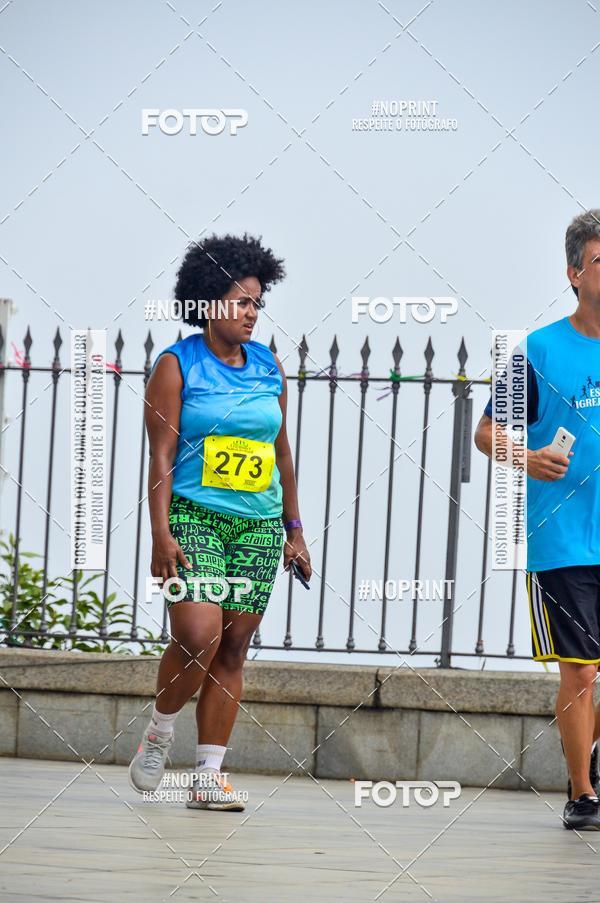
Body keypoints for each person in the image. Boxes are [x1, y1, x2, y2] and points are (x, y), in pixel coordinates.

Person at [128, 232, 311, 810]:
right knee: (198, 635)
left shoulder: (268, 365)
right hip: (194, 517)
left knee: (233, 647)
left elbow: (281, 452)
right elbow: (159, 458)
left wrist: (295, 530)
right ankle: (160, 728)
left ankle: (207, 777)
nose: (252, 313)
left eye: (258, 303)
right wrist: (161, 534)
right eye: (241, 302)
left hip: (257, 526)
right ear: (208, 303)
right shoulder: (175, 365)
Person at [475, 209, 600, 830]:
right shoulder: (541, 350)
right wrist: (529, 456)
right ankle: (582, 795)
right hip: (565, 539)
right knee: (581, 668)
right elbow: (485, 432)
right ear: (575, 272)